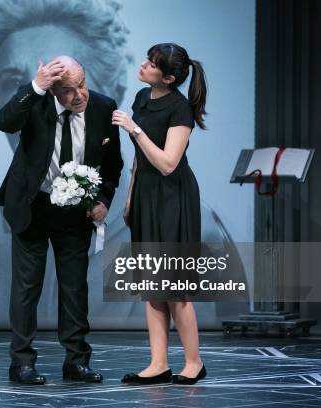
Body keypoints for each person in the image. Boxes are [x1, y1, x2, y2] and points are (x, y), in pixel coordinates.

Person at [0, 0, 248, 331]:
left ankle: (78, 359)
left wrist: (104, 200)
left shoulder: (187, 224)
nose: (50, 98)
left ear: (100, 87)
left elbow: (212, 325)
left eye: (64, 83)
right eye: (19, 82)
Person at [0, 56, 123, 384]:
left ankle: (76, 361)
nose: (79, 94)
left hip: (76, 211)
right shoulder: (36, 102)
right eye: (68, 90)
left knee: (74, 289)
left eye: (82, 84)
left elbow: (113, 165)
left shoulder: (103, 107)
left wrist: (104, 200)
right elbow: (4, 121)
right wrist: (36, 86)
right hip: (33, 205)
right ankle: (21, 362)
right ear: (54, 91)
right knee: (26, 289)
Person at [112, 43, 208, 385]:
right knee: (152, 285)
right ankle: (158, 362)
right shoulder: (142, 98)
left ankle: (193, 362)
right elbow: (140, 158)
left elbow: (168, 163)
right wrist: (129, 197)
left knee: (175, 287)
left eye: (151, 64)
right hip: (147, 195)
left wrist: (134, 129)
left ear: (168, 77)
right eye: (146, 59)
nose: (143, 65)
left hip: (173, 198)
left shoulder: (180, 108)